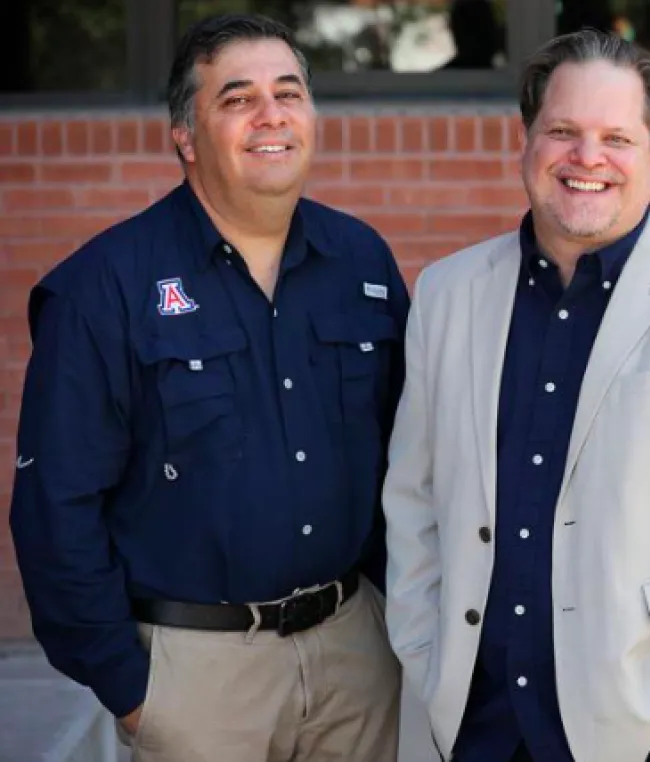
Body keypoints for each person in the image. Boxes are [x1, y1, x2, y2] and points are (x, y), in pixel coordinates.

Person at [383, 28, 650, 762]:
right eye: (563, 132)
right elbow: (414, 500)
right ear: (526, 141)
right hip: (473, 723)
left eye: (616, 138)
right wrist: (427, 657)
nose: (587, 159)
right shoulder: (448, 294)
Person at [9, 13, 407, 762]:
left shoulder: (363, 263)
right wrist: (132, 691)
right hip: (196, 677)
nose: (271, 116)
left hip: (354, 655)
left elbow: (406, 462)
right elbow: (55, 507)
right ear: (186, 137)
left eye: (288, 92)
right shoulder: (104, 288)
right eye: (237, 98)